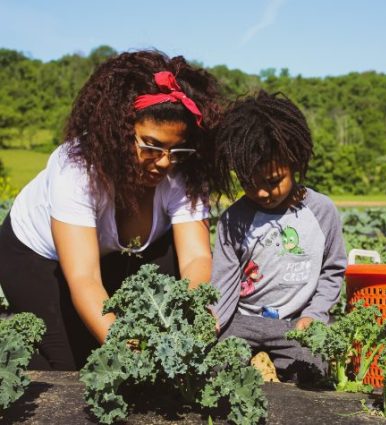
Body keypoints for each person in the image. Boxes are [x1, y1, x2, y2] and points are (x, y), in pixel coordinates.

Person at [0, 50, 225, 370]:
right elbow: (84, 278)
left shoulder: (183, 170)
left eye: (175, 149)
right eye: (151, 146)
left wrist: (190, 310)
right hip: (35, 257)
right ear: (120, 133)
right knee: (73, 365)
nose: (164, 162)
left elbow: (196, 257)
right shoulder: (76, 170)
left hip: (115, 254)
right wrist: (128, 351)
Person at [210, 90, 347, 382]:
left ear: (294, 162)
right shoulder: (233, 220)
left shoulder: (322, 212)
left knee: (314, 371)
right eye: (248, 183)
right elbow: (222, 284)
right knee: (216, 369)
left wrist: (316, 315)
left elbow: (333, 270)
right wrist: (212, 322)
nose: (261, 193)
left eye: (272, 182)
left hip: (295, 323)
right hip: (240, 322)